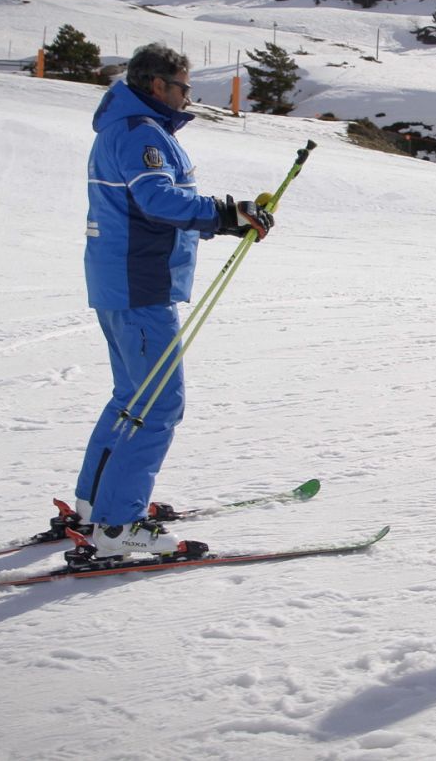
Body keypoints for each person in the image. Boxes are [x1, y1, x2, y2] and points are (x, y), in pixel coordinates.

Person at [75, 43, 274, 557]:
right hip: (140, 285)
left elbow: (148, 208)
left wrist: (223, 220)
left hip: (120, 280)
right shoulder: (142, 133)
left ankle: (97, 505)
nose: (188, 98)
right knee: (160, 402)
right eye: (184, 87)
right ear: (159, 85)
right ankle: (119, 525)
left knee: (132, 397)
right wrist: (227, 213)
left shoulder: (123, 127)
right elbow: (157, 201)